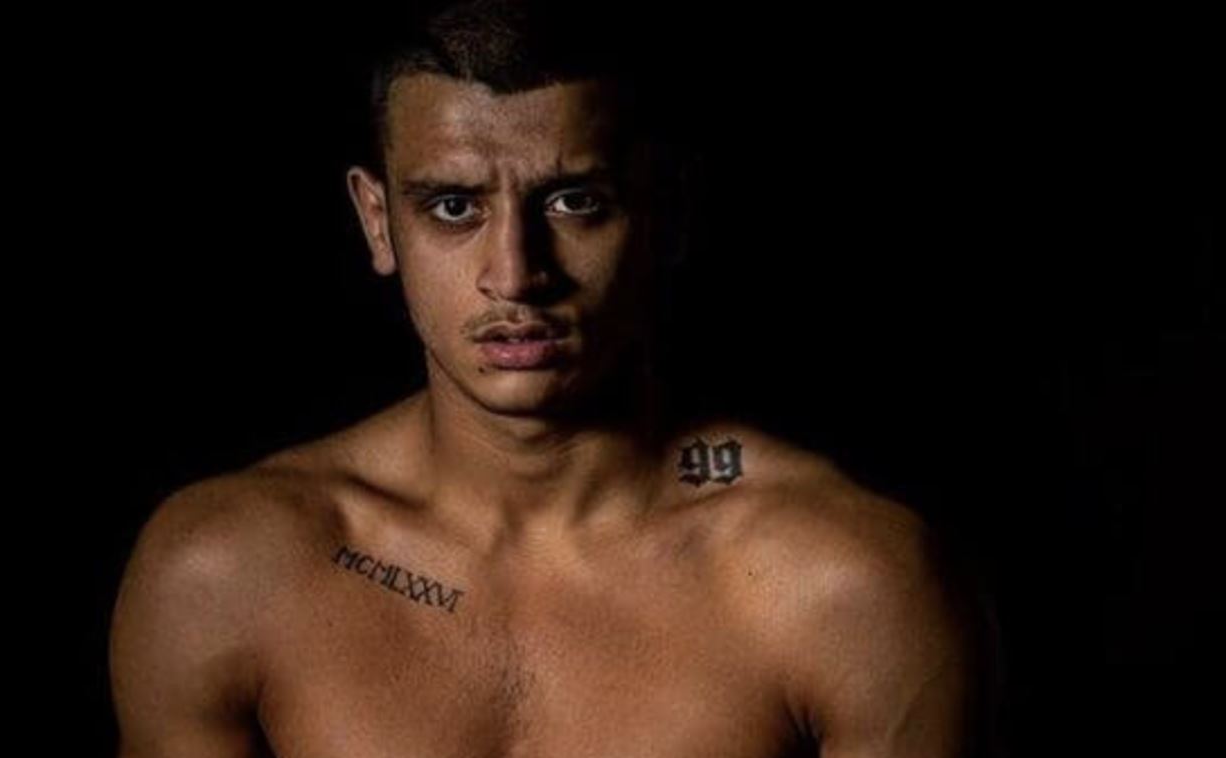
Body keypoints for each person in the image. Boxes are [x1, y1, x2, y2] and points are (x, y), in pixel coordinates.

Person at [109, 2, 999, 756]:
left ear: (664, 212)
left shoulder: (848, 587)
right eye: (453, 206)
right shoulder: (228, 571)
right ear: (378, 223)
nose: (516, 274)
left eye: (575, 202)